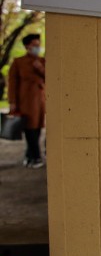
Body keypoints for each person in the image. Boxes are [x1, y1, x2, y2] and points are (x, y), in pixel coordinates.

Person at [7, 34, 46, 168]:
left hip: (40, 101)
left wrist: (39, 67)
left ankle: (30, 156)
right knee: (29, 129)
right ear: (27, 46)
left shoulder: (43, 61)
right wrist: (12, 101)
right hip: (26, 101)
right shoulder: (18, 62)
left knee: (38, 129)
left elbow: (50, 77)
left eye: (38, 45)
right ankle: (35, 157)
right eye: (34, 45)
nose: (37, 47)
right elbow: (12, 82)